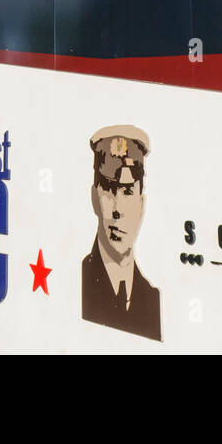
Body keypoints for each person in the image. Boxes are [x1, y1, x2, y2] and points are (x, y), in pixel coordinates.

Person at [81, 126, 160, 340]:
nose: (118, 209)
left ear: (142, 205)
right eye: (108, 189)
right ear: (94, 198)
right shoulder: (81, 281)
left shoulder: (151, 298)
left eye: (127, 191)